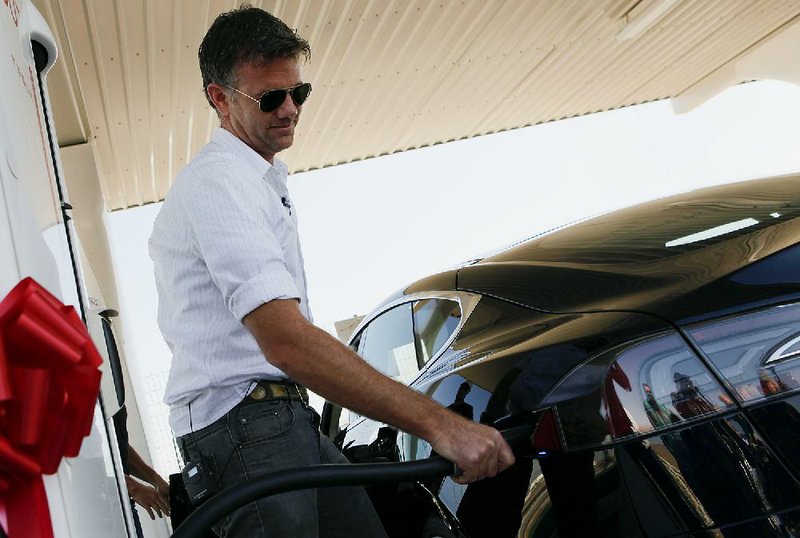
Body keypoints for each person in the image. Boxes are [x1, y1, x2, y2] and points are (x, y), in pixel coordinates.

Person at [148, 5, 514, 537]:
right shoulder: (219, 182)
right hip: (246, 431)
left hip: (284, 422)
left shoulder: (260, 181)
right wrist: (441, 425)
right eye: (271, 97)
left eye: (300, 93)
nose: (290, 108)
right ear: (220, 98)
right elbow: (286, 341)